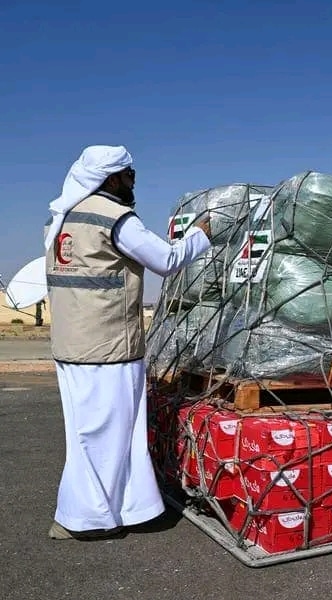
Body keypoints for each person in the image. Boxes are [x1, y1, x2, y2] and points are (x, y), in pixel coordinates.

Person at [43, 145, 211, 540]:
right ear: (113, 178)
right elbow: (166, 260)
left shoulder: (64, 217)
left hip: (72, 346)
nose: (134, 183)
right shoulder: (114, 218)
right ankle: (84, 519)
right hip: (107, 347)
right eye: (130, 176)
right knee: (107, 435)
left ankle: (132, 509)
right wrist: (200, 237)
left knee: (94, 434)